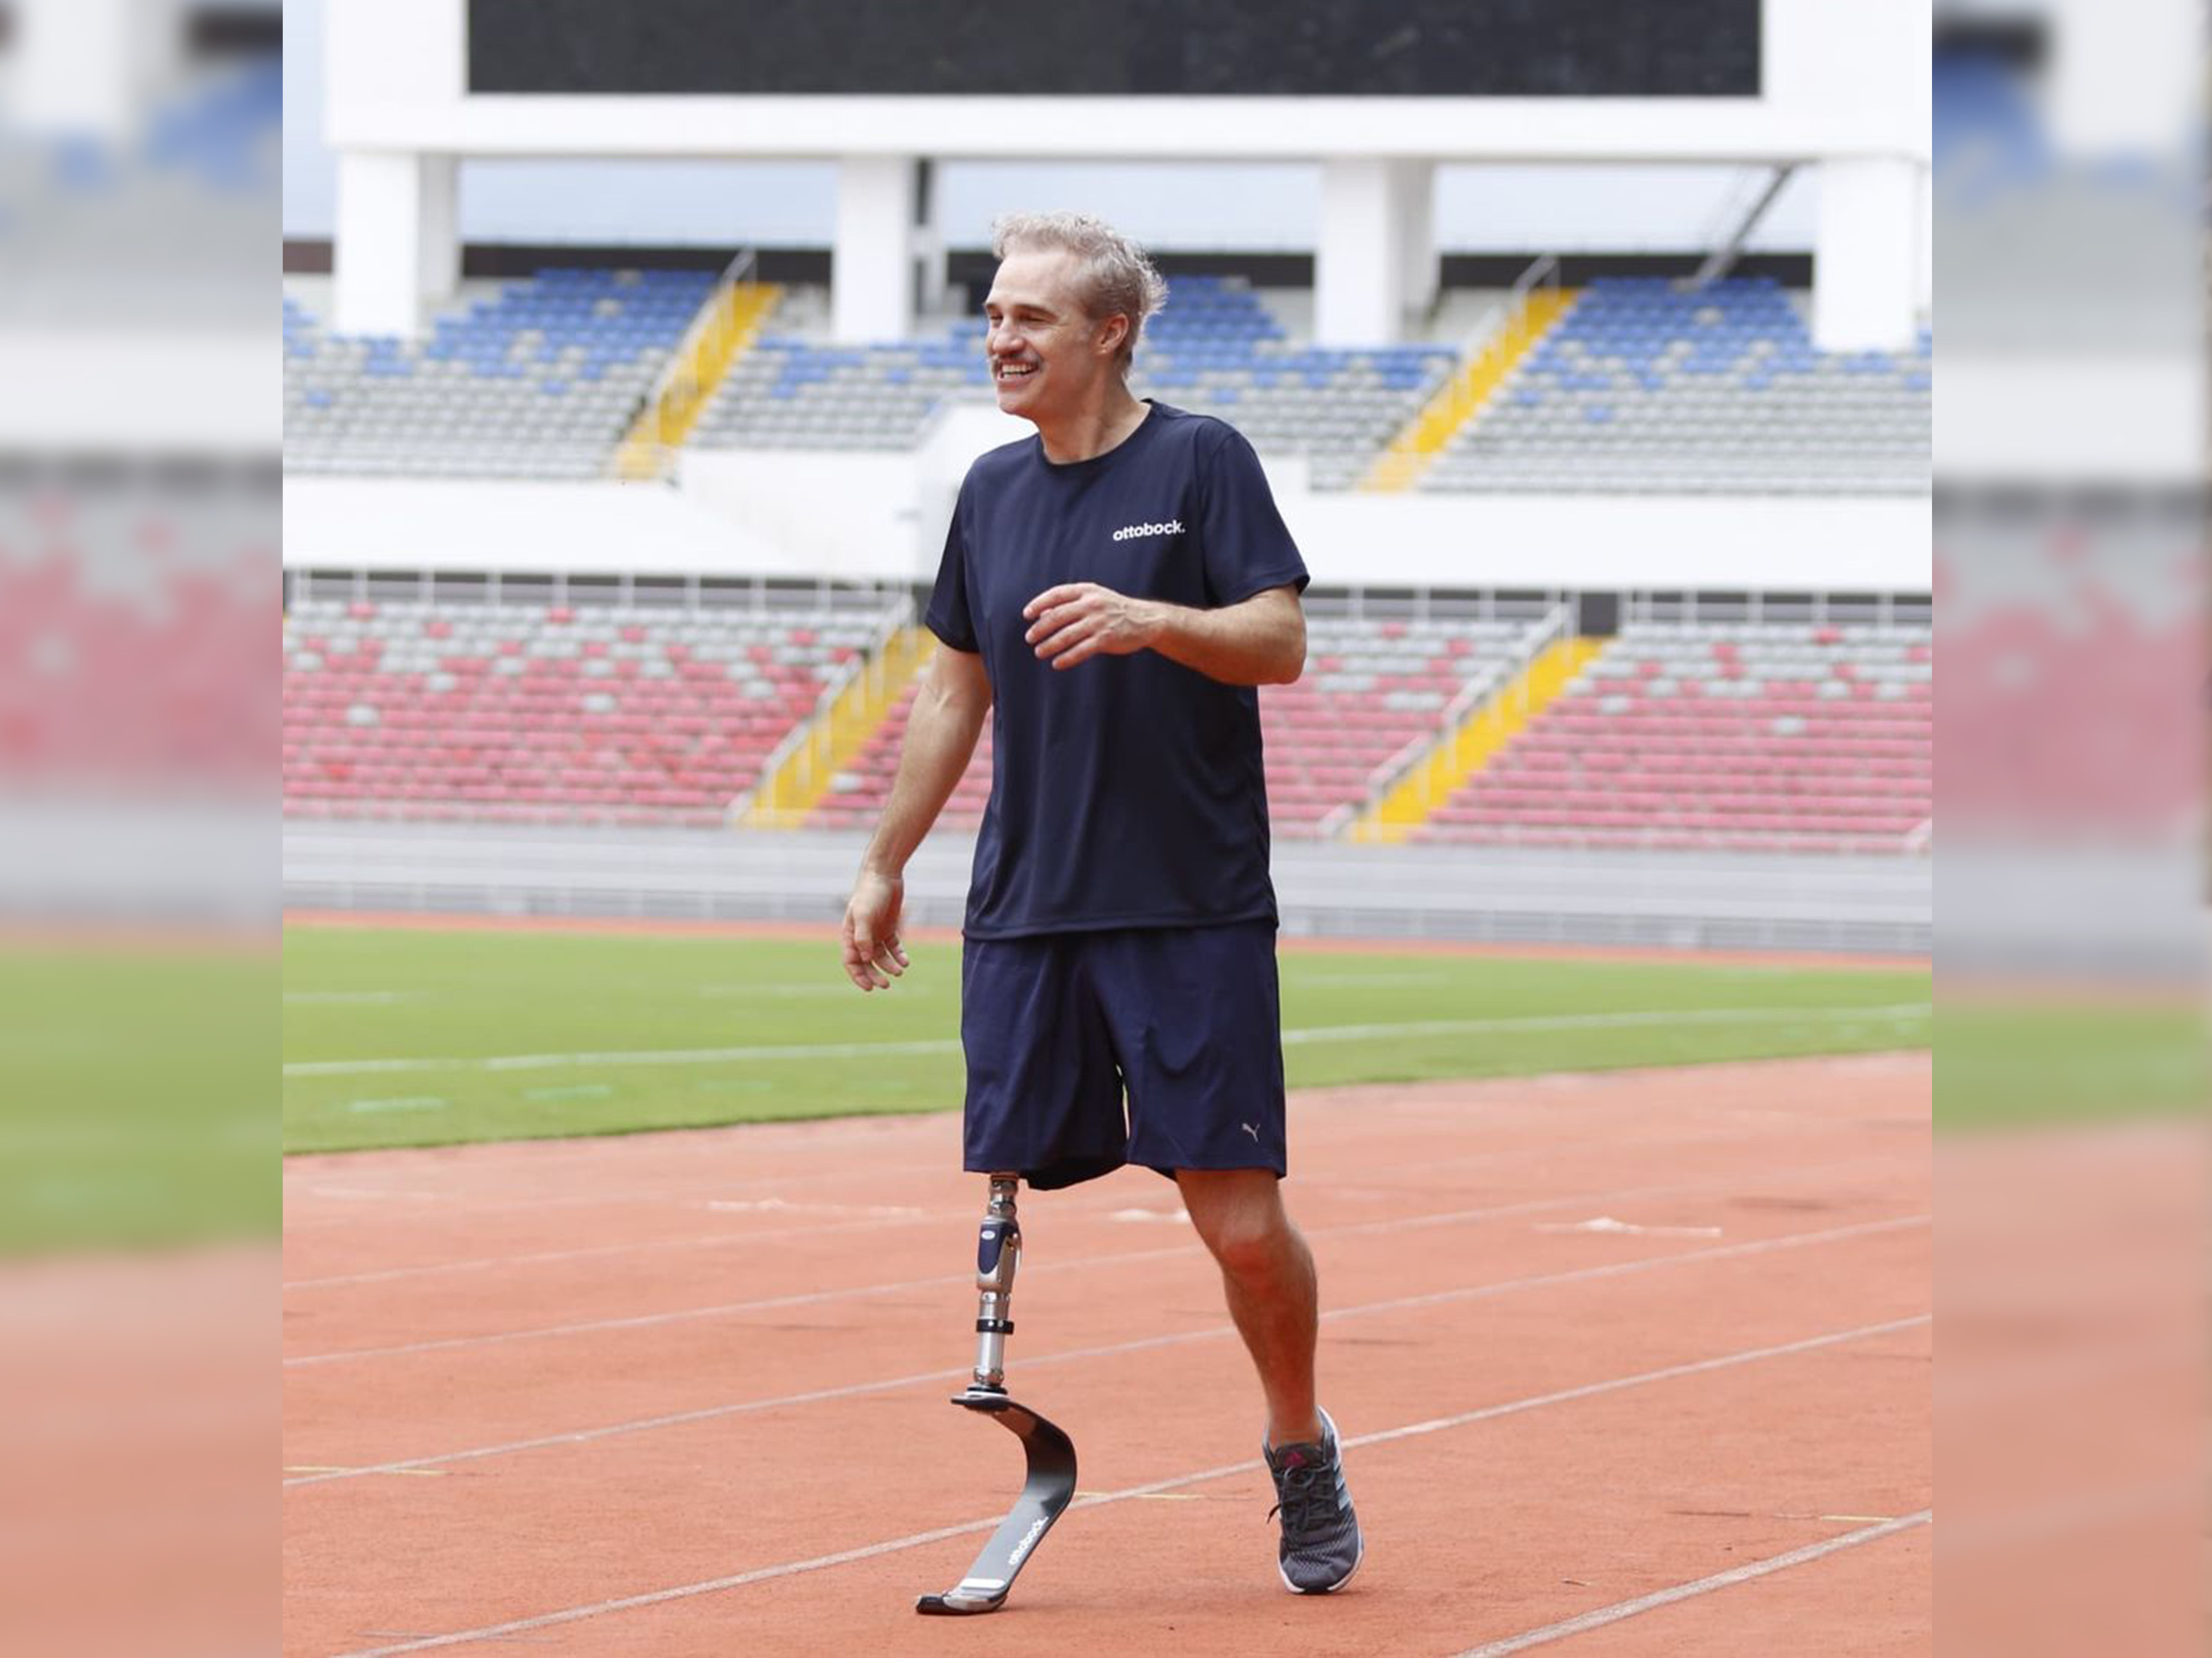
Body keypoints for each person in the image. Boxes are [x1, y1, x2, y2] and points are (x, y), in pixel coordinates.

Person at [839, 211, 1362, 1595]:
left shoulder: (1199, 460)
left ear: (1110, 331)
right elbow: (953, 689)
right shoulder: (991, 492)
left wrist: (1153, 619)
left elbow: (1280, 639)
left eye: (1030, 318)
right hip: (1028, 908)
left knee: (1239, 1228)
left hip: (1189, 907)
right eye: (994, 316)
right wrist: (886, 860)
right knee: (1013, 1177)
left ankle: (1298, 1443)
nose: (1001, 339)